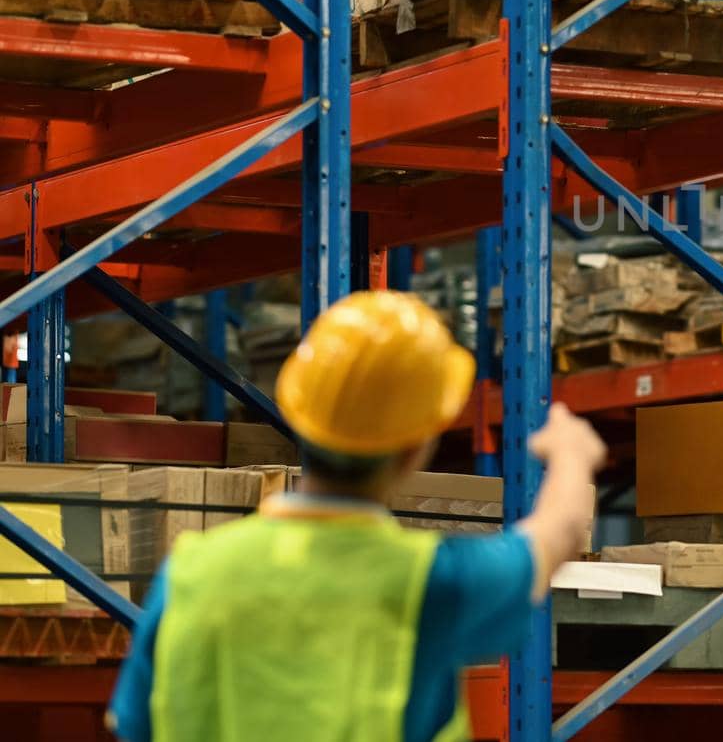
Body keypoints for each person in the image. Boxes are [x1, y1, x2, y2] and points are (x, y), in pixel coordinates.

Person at [107, 290, 606, 742]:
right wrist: (571, 452)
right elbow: (557, 534)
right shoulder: (431, 582)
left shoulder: (192, 572)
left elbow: (135, 725)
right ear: (415, 449)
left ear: (300, 414)